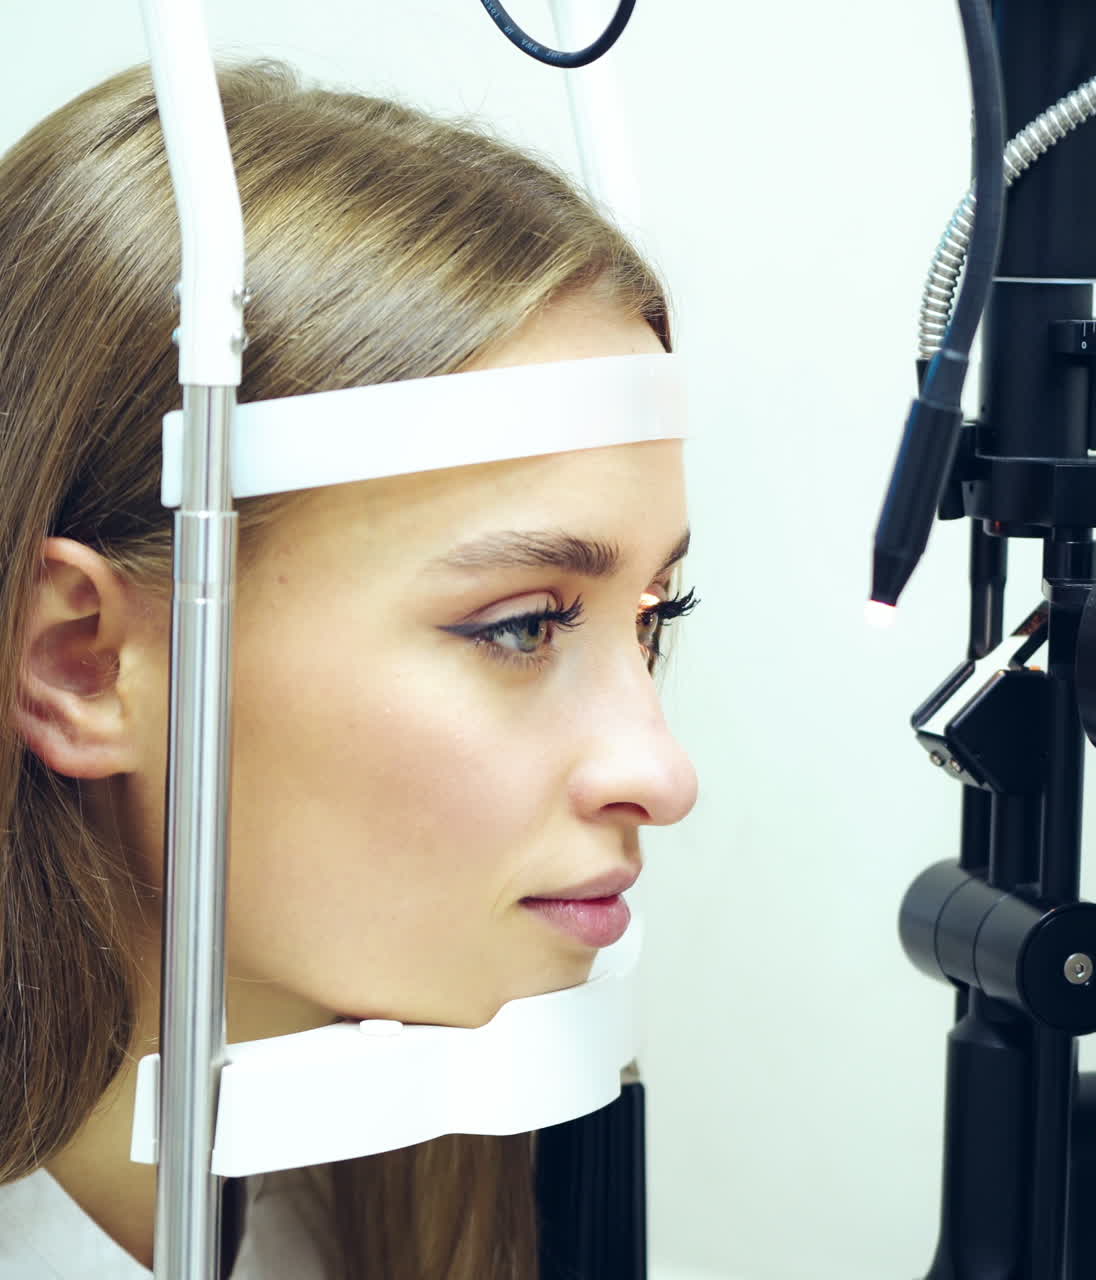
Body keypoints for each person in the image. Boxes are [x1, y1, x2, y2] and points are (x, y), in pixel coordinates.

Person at [0, 57, 698, 1279]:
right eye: (524, 623)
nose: (660, 770)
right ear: (83, 662)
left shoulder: (359, 1202)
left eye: (651, 614)